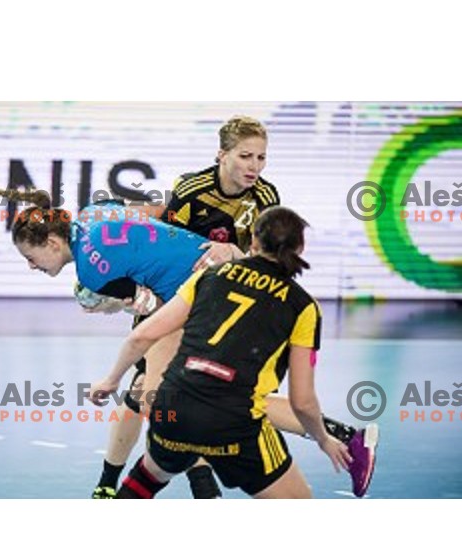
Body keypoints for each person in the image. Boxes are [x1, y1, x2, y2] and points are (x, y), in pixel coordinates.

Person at [0, 177, 378, 499]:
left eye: (31, 258)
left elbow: (151, 310)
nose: (32, 267)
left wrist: (104, 303)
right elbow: (155, 212)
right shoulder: (93, 211)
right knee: (174, 396)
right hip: (223, 264)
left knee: (174, 398)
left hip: (201, 290)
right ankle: (336, 439)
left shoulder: (91, 272)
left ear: (52, 242)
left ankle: (198, 484)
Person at [91, 115, 367, 499]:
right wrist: (137, 294)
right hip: (177, 298)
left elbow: (266, 258)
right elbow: (162, 244)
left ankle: (165, 484)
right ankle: (113, 483)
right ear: (222, 155)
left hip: (223, 301)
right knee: (147, 392)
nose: (254, 166)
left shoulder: (266, 198)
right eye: (246, 156)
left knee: (198, 389)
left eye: (261, 158)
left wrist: (232, 255)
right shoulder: (192, 189)